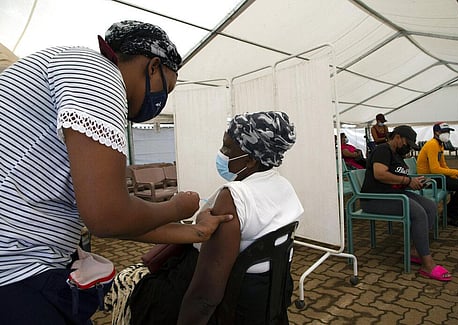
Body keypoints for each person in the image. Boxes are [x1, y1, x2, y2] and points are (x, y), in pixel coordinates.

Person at [0, 20, 231, 324]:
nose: (162, 100)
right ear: (153, 67)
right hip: (18, 273)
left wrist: (194, 232)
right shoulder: (100, 76)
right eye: (167, 88)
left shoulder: (66, 65)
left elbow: (114, 217)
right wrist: (176, 207)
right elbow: (108, 216)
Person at [109, 111, 304, 324]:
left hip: (230, 302)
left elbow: (205, 295)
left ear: (249, 160)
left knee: (132, 285)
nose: (222, 153)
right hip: (266, 298)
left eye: (228, 148)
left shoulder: (234, 197)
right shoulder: (284, 187)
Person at [361, 125, 452, 282]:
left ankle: (415, 251)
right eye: (407, 144)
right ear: (397, 137)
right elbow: (380, 174)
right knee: (418, 213)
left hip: (394, 195)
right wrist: (407, 181)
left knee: (430, 207)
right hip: (375, 199)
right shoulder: (383, 150)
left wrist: (415, 182)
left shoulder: (397, 155)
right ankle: (427, 264)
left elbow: (398, 178)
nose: (408, 148)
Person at [416, 122, 458, 227]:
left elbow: (443, 165)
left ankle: (449, 214)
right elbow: (435, 169)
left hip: (437, 177)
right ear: (436, 132)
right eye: (444, 132)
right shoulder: (432, 144)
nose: (447, 134)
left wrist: (454, 176)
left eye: (448, 132)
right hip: (429, 180)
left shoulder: (439, 145)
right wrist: (457, 172)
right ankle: (452, 216)